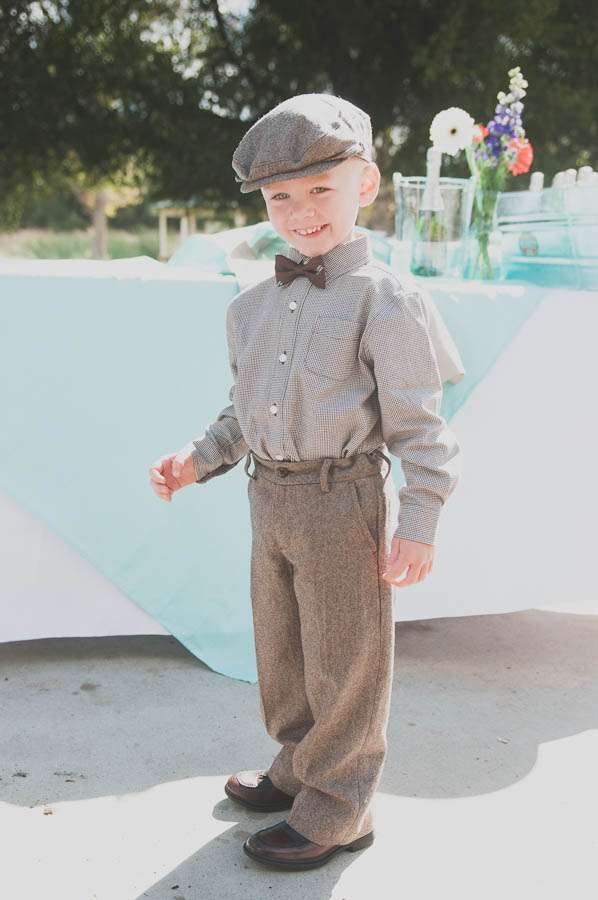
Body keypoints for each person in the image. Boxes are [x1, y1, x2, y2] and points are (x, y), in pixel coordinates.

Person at [148, 92, 462, 871]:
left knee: (345, 657)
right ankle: (299, 764)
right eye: (281, 197)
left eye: (321, 188)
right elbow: (243, 411)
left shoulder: (387, 299)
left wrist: (419, 519)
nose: (302, 211)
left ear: (367, 182)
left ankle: (340, 805)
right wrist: (197, 458)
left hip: (339, 497)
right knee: (283, 648)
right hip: (269, 497)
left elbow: (419, 424)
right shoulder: (250, 307)